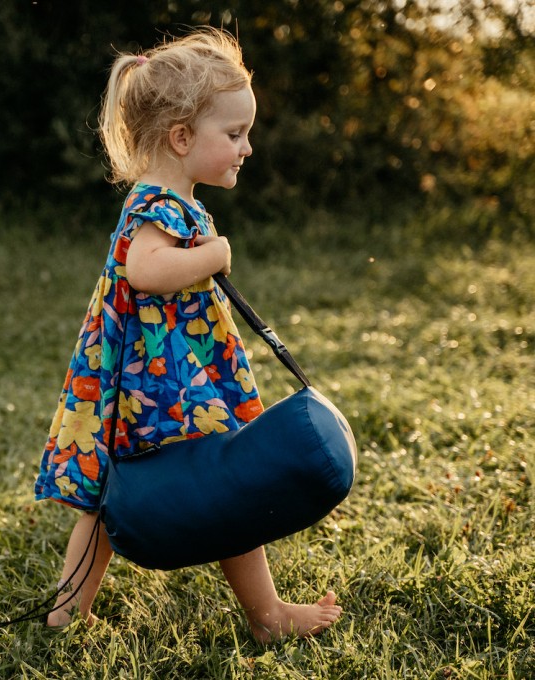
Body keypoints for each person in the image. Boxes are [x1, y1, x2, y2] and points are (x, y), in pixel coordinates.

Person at [34, 27, 342, 642]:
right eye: (234, 135)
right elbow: (144, 270)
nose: (246, 148)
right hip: (164, 380)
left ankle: (70, 613)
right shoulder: (160, 204)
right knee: (226, 481)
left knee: (112, 493)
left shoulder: (172, 200)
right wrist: (215, 253)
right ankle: (267, 616)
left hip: (146, 374)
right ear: (181, 137)